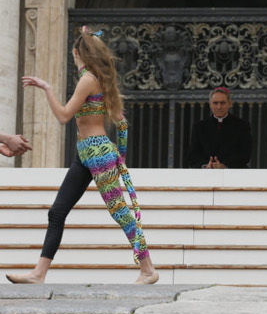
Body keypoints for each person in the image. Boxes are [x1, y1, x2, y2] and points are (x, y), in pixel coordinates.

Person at [6, 27, 158, 286]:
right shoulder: (99, 79)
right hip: (88, 154)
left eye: (73, 53)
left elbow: (64, 116)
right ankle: (38, 274)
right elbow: (121, 124)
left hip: (96, 153)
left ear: (77, 53)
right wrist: (119, 156)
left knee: (120, 212)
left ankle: (148, 269)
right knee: (57, 212)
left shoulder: (88, 78)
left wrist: (47, 88)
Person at [187, 86, 254, 169]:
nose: (219, 107)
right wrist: (206, 165)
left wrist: (225, 165)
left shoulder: (242, 125)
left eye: (222, 103)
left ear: (230, 103)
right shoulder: (199, 127)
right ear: (210, 104)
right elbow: (193, 154)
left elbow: (245, 153)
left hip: (234, 174)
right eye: (215, 103)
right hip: (206, 176)